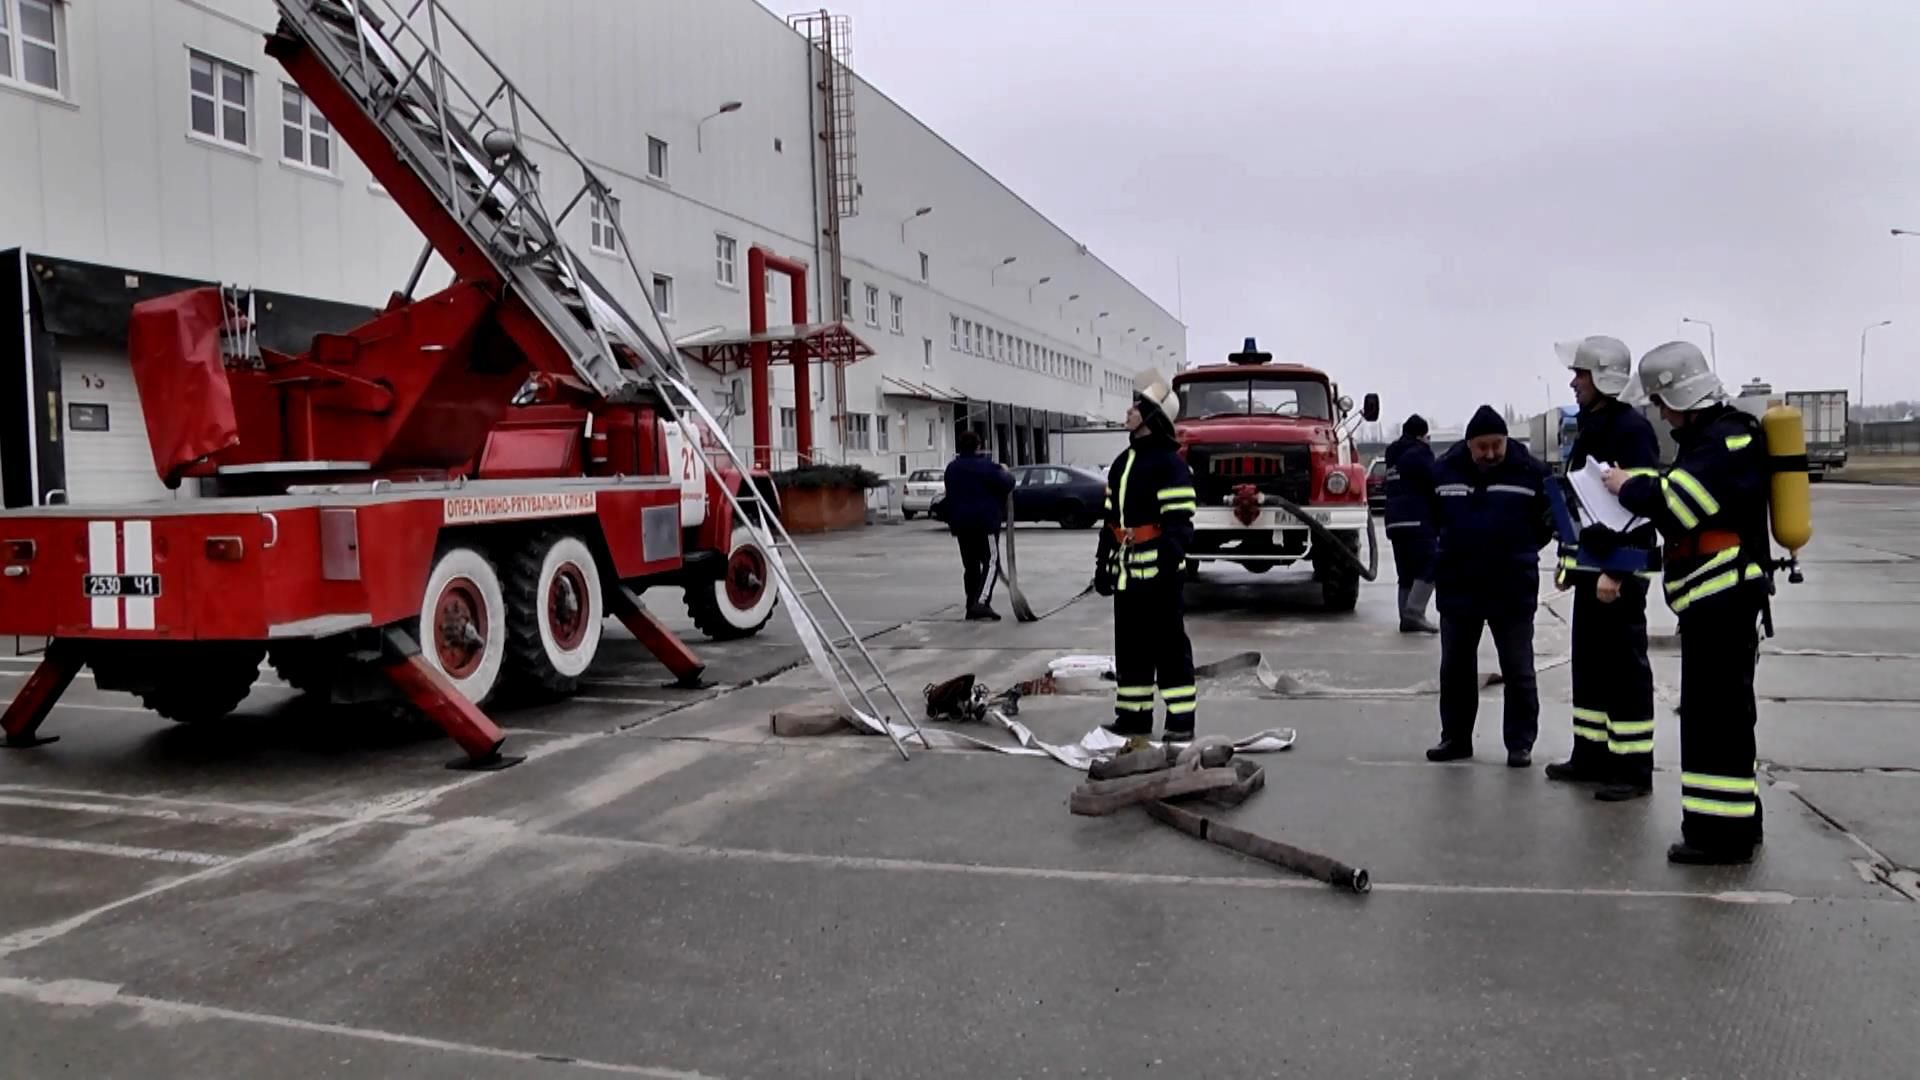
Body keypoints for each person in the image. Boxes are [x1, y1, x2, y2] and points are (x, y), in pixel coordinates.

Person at [1605, 342, 1770, 865]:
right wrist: (1638, 481)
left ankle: (1719, 837)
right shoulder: (1715, 439)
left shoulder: (1726, 441)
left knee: (1714, 720)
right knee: (1723, 716)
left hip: (1722, 602)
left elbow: (1678, 504)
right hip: (1713, 601)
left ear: (1678, 396)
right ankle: (1738, 821)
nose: (1659, 413)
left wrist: (1626, 488)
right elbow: (1676, 483)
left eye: (1659, 401)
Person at [1546, 336, 1664, 801]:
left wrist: (1617, 571)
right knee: (1591, 666)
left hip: (1617, 572)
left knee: (1623, 672)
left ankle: (1631, 768)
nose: (1573, 382)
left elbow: (1639, 506)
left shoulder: (1630, 429)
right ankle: (1591, 754)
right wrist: (1570, 563)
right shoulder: (1594, 425)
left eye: (1581, 374)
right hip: (1590, 570)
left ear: (1604, 377)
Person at [1427, 406, 1578, 767]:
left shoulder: (1532, 473)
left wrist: (1524, 546)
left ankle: (1519, 743)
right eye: (1483, 447)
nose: (1491, 453)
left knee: (1519, 670)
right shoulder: (1443, 471)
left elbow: (1554, 520)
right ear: (1469, 445)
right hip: (1458, 586)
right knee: (1456, 671)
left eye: (1497, 445)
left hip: (1511, 586)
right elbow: (1429, 519)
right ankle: (1456, 739)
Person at [1093, 371, 1198, 750]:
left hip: (1160, 576)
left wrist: (1169, 565)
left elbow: (1180, 523)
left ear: (1152, 417)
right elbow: (1110, 522)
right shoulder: (1122, 463)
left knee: (1169, 647)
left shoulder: (1171, 465)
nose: (1129, 410)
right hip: (1126, 577)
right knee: (1131, 646)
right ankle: (1133, 716)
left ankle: (1181, 719)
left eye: (1137, 406)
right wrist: (1102, 565)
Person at [942, 429, 1015, 621]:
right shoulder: (986, 467)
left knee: (971, 566)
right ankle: (981, 603)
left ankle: (971, 605)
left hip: (960, 525)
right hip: (985, 524)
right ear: (978, 446)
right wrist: (1004, 471)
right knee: (992, 561)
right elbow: (1008, 483)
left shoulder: (952, 468)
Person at [1383, 414, 1440, 633]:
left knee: (1406, 572)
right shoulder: (1421, 454)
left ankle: (1405, 617)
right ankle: (1414, 613)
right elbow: (1433, 482)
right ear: (1421, 435)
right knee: (1431, 564)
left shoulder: (1392, 453)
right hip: (1418, 520)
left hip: (1394, 521)